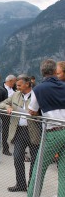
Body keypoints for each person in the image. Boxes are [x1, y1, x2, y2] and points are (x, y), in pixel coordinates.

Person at [28, 59, 65, 197]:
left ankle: (33, 195)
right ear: (55, 71)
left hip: (53, 132)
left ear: (42, 72)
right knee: (64, 171)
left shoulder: (38, 89)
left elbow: (32, 110)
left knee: (39, 169)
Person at [0, 74, 41, 192]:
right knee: (17, 157)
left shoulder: (36, 95)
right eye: (16, 85)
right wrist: (8, 107)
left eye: (19, 85)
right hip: (19, 131)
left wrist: (36, 114)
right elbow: (0, 104)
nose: (17, 87)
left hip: (34, 131)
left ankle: (31, 185)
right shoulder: (15, 95)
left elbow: (43, 112)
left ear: (27, 84)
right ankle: (21, 184)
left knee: (34, 160)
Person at [1, 74, 17, 156]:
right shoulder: (2, 89)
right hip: (4, 113)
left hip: (14, 113)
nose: (15, 84)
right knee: (5, 131)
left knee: (15, 129)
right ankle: (5, 148)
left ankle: (18, 148)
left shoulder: (14, 89)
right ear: (10, 81)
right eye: (14, 82)